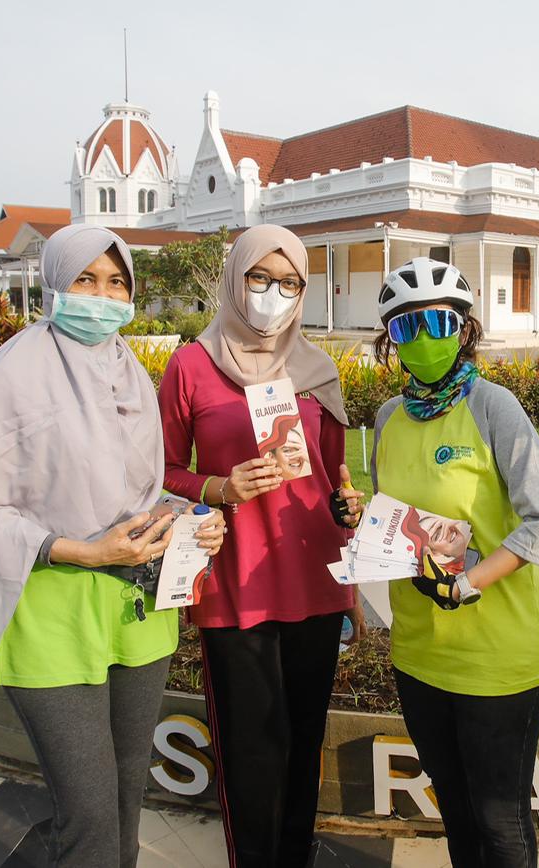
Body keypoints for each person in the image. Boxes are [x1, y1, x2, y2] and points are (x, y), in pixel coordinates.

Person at [0, 224, 226, 868]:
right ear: (54, 284)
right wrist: (86, 551)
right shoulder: (13, 373)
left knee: (129, 789)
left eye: (116, 282)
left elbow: (140, 495)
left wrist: (189, 518)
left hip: (134, 616)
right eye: (84, 279)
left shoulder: (128, 371)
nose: (102, 295)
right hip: (51, 616)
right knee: (90, 810)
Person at [336, 257, 539, 868]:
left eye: (438, 323)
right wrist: (358, 521)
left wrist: (469, 582)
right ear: (389, 341)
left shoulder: (495, 408)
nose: (423, 340)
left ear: (464, 330)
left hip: (499, 660)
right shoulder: (389, 419)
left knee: (500, 822)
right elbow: (400, 527)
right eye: (406, 328)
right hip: (419, 656)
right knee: (458, 817)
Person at [158, 224, 362, 867]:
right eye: (259, 278)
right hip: (235, 581)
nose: (273, 294)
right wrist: (219, 485)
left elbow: (336, 478)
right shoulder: (191, 364)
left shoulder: (317, 367)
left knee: (303, 744)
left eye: (289, 283)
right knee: (250, 749)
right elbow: (159, 471)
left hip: (314, 578)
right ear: (235, 277)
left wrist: (352, 521)